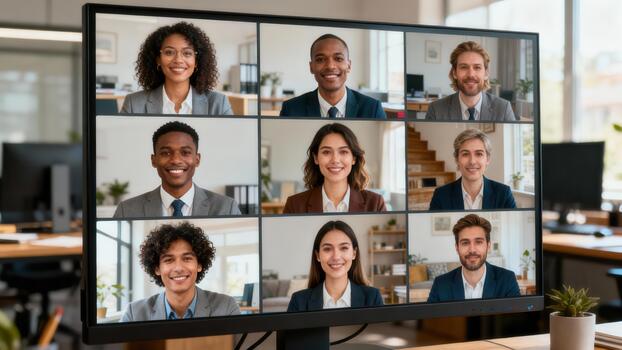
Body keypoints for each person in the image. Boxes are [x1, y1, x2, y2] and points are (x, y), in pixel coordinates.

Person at [113, 121, 241, 218]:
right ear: (154, 160)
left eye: (185, 152)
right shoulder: (127, 210)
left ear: (197, 159)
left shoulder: (226, 207)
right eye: (166, 153)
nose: (175, 160)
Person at [120, 222, 240, 321]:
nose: (178, 268)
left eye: (187, 258)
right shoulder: (134, 314)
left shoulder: (227, 307)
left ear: (199, 265)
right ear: (157, 268)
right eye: (169, 260)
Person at [121, 22, 233, 115]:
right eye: (169, 52)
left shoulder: (219, 104)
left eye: (187, 53)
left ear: (196, 62)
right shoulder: (133, 104)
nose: (178, 60)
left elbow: (230, 141)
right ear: (158, 59)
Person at [283, 123, 386, 213]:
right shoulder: (294, 205)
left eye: (343, 152)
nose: (335, 160)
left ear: (353, 158)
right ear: (316, 158)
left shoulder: (375, 204)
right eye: (326, 152)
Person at [279, 34, 386, 119]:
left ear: (349, 66)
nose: (330, 66)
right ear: (311, 67)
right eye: (321, 59)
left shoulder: (372, 109)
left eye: (338, 59)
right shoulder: (291, 109)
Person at [287, 220, 383, 311]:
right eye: (327, 249)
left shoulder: (372, 298)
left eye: (344, 248)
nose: (336, 257)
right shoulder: (298, 301)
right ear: (317, 255)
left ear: (354, 253)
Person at [427, 214, 521, 303]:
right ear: (457, 248)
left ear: (488, 246)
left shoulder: (507, 280)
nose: (472, 250)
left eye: (479, 242)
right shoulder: (441, 284)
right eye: (465, 243)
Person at [425, 41, 516, 121]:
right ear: (454, 73)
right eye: (464, 67)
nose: (471, 74)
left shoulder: (503, 109)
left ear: (486, 74)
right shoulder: (436, 110)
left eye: (477, 67)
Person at [428, 128, 516, 210]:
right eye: (465, 154)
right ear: (457, 159)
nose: (472, 161)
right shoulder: (441, 195)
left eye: (479, 154)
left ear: (487, 159)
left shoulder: (504, 194)